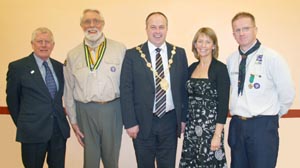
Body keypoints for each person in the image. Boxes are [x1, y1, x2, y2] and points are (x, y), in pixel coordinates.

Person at [120, 11, 188, 168]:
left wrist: (183, 118)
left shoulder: (179, 53)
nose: (157, 31)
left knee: (168, 165)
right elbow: (126, 90)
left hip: (170, 121)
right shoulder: (132, 55)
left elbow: (184, 90)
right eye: (153, 27)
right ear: (146, 29)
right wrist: (130, 122)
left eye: (161, 27)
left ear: (167, 29)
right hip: (142, 122)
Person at [227, 12, 295, 168]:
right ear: (233, 34)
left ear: (255, 29)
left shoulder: (272, 58)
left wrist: (272, 117)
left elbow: (287, 93)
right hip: (237, 126)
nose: (242, 33)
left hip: (262, 126)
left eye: (246, 28)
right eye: (237, 30)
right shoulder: (231, 59)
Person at [63, 9, 126, 168]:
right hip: (85, 111)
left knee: (111, 159)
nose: (92, 25)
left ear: (102, 24)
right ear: (81, 26)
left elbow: (128, 85)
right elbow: (68, 91)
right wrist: (73, 120)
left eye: (96, 21)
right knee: (90, 161)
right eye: (87, 22)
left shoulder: (120, 49)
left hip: (113, 110)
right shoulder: (73, 55)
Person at [6, 27, 70, 168]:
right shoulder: (18, 67)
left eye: (47, 42)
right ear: (32, 44)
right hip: (32, 132)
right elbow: (12, 100)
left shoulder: (60, 67)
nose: (43, 45)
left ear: (53, 45)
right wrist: (25, 124)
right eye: (39, 41)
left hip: (58, 131)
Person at [179, 27, 230, 167]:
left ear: (214, 46)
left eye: (208, 42)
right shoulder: (191, 68)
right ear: (195, 44)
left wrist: (217, 135)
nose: (203, 45)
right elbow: (185, 99)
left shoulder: (220, 69)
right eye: (200, 41)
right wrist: (183, 122)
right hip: (192, 128)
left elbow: (223, 104)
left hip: (210, 130)